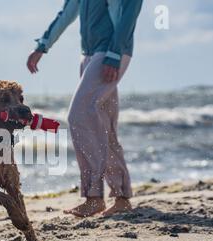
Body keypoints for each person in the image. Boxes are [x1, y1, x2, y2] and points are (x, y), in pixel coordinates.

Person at [27, 0, 143, 217]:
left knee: (79, 117)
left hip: (110, 53)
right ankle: (121, 197)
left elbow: (129, 13)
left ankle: (93, 197)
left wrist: (115, 54)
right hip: (89, 55)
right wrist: (42, 45)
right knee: (103, 126)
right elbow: (67, 13)